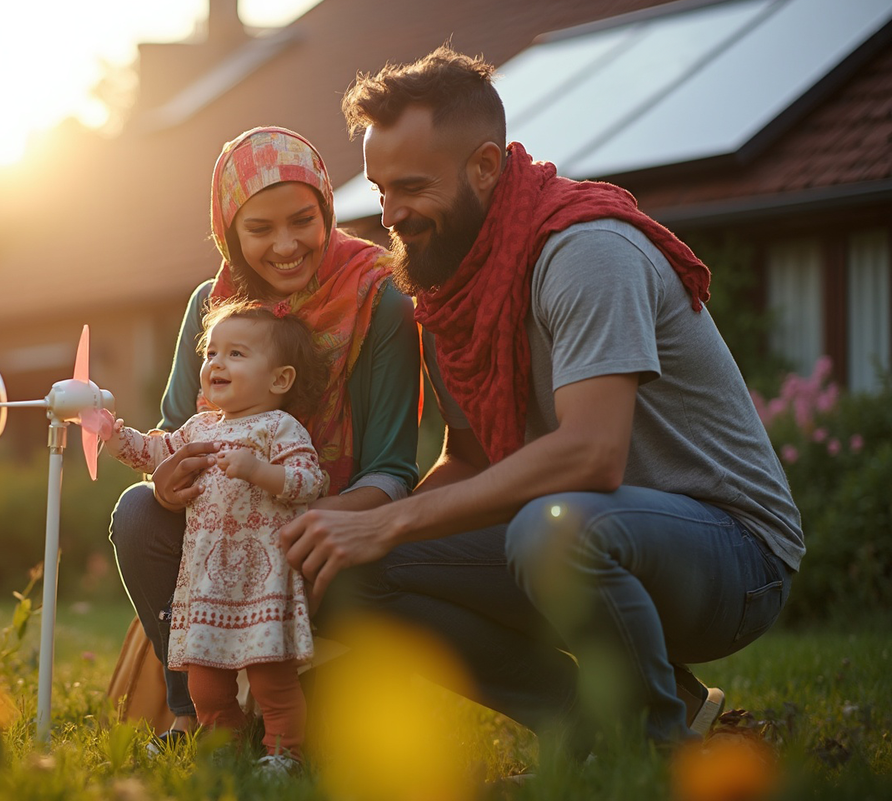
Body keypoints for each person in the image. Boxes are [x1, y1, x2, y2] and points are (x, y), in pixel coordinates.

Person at [280, 45, 804, 754]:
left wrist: (395, 522)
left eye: (410, 186)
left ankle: (652, 742)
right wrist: (352, 533)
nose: (391, 213)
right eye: (379, 190)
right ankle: (588, 726)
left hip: (734, 555)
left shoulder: (584, 251)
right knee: (351, 574)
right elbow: (464, 463)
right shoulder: (446, 291)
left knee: (549, 527)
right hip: (588, 534)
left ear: (486, 166)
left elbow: (592, 453)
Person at [108, 127, 422, 747]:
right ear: (229, 231)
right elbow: (177, 437)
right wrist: (167, 484)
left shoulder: (379, 296)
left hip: (324, 522)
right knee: (139, 512)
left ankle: (291, 705)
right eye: (259, 229)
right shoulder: (211, 305)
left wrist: (319, 518)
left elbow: (391, 469)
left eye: (303, 220)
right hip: (220, 533)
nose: (286, 245)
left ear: (328, 209)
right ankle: (193, 713)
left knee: (322, 741)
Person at [103, 301, 329, 768]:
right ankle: (224, 744)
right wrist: (114, 436)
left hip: (262, 581)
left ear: (279, 380)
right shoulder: (199, 427)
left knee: (273, 681)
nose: (216, 364)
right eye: (211, 353)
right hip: (206, 585)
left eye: (236, 354)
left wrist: (260, 471)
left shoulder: (279, 428)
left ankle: (284, 755)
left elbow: (309, 482)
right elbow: (154, 452)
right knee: (204, 682)